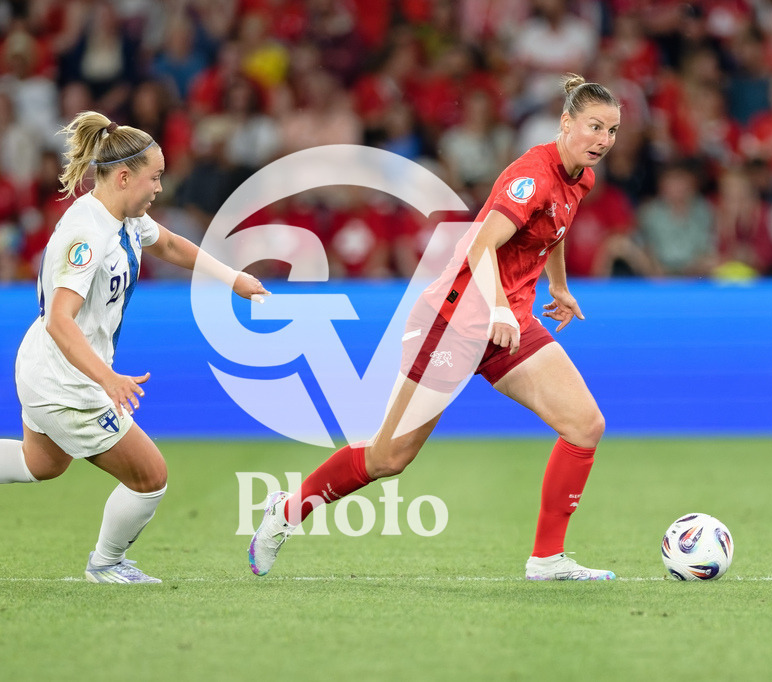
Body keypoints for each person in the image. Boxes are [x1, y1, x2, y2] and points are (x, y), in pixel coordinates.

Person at [249, 74, 621, 581]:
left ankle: (547, 559)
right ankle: (287, 511)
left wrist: (557, 288)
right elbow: (480, 247)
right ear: (565, 123)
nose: (603, 140)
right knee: (388, 458)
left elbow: (553, 229)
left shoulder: (580, 178)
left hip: (507, 320)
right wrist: (495, 310)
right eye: (594, 127)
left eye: (612, 131)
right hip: (454, 322)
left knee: (585, 425)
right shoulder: (530, 175)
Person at [0, 111, 269, 584]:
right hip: (68, 379)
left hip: (48, 365)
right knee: (150, 477)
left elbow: (169, 245)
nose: (160, 188)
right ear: (124, 177)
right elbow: (62, 320)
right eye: (155, 177)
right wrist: (108, 379)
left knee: (40, 462)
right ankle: (105, 564)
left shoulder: (121, 216)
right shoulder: (89, 234)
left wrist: (232, 279)